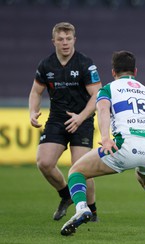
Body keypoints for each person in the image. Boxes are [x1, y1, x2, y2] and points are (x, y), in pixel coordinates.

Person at [60, 50, 145, 239]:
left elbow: (102, 110)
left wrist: (106, 137)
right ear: (135, 71)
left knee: (76, 171)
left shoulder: (109, 89)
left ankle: (82, 208)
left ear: (113, 72)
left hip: (126, 145)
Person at [29, 22, 101, 221]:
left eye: (68, 39)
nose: (65, 43)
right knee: (44, 163)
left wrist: (81, 117)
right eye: (60, 39)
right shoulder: (46, 65)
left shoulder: (85, 63)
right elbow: (36, 91)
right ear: (54, 42)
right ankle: (66, 195)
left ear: (74, 40)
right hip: (57, 119)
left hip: (82, 119)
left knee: (81, 168)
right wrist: (33, 112)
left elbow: (97, 95)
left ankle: (92, 210)